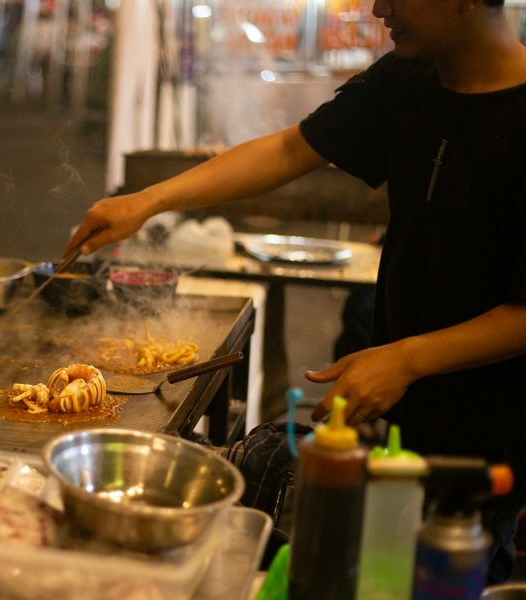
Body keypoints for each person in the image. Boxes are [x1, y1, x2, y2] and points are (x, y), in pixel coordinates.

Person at [66, 0, 526, 583]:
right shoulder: (407, 79)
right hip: (401, 429)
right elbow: (289, 149)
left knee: (451, 573)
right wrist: (146, 201)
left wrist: (405, 359)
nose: (380, 9)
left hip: (486, 446)